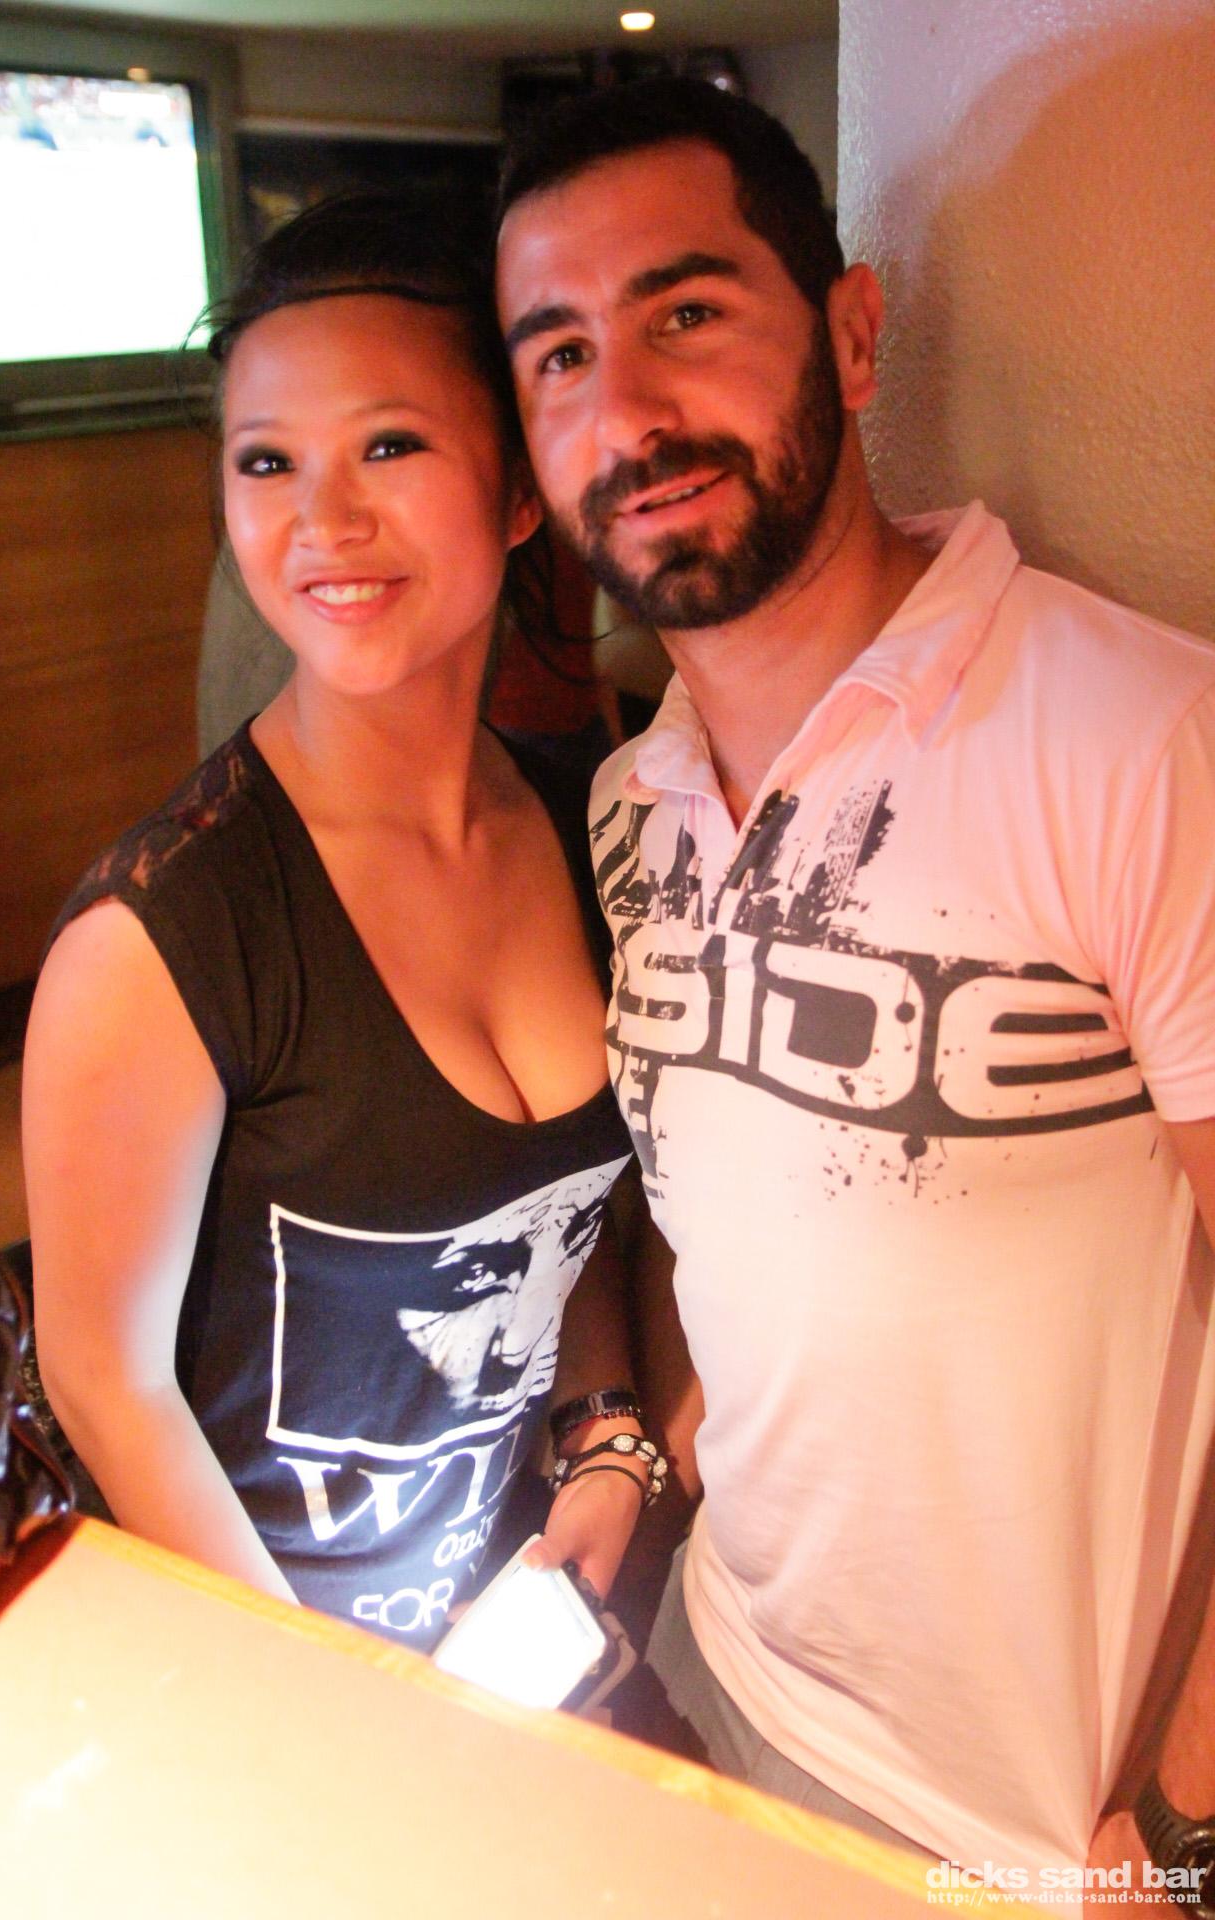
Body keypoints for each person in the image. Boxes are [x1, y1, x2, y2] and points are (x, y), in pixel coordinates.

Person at [495, 77, 1215, 1895]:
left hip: (1037, 1827)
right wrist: (638, 1458)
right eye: (561, 356)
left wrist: (1188, 1823)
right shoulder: (629, 801)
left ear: (854, 332)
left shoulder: (1144, 738)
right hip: (715, 1681)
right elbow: (736, 1237)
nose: (627, 412)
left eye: (685, 312)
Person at [23, 189, 661, 1652]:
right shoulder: (165, 931)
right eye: (268, 462)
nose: (323, 521)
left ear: (519, 490)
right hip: (262, 1680)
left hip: (513, 1627)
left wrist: (606, 1436)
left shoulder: (596, 826)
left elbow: (559, 1212)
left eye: (389, 445)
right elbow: (107, 1385)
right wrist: (337, 1715)